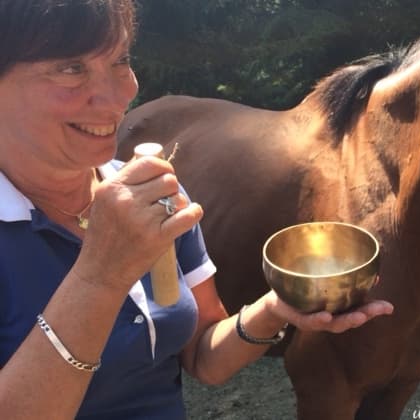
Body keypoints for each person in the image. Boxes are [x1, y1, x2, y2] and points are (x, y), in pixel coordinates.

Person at [0, 1, 394, 418]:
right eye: (70, 68)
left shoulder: (154, 194)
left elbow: (204, 356)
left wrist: (277, 309)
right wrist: (100, 274)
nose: (121, 95)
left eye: (121, 60)